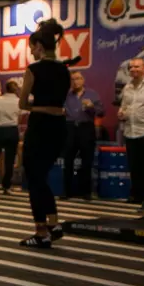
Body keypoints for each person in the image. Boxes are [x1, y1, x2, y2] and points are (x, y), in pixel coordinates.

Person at [19, 19, 71, 248]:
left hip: (40, 127)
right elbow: (59, 103)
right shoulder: (64, 69)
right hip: (59, 127)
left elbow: (23, 103)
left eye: (32, 47)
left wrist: (39, 107)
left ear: (39, 46)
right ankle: (54, 223)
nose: (31, 51)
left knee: (34, 178)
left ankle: (41, 231)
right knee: (41, 176)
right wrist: (53, 109)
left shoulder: (33, 70)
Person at [63, 71, 104, 200]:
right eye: (73, 79)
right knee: (68, 160)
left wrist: (91, 106)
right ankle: (67, 192)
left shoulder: (92, 94)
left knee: (87, 160)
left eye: (78, 78)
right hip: (70, 127)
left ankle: (86, 192)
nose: (76, 82)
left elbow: (101, 112)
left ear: (83, 80)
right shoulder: (66, 96)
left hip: (86, 128)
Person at [119, 58, 144, 209]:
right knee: (134, 166)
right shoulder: (127, 87)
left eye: (137, 67)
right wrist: (121, 112)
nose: (133, 69)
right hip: (130, 131)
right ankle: (137, 195)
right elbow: (124, 106)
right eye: (131, 67)